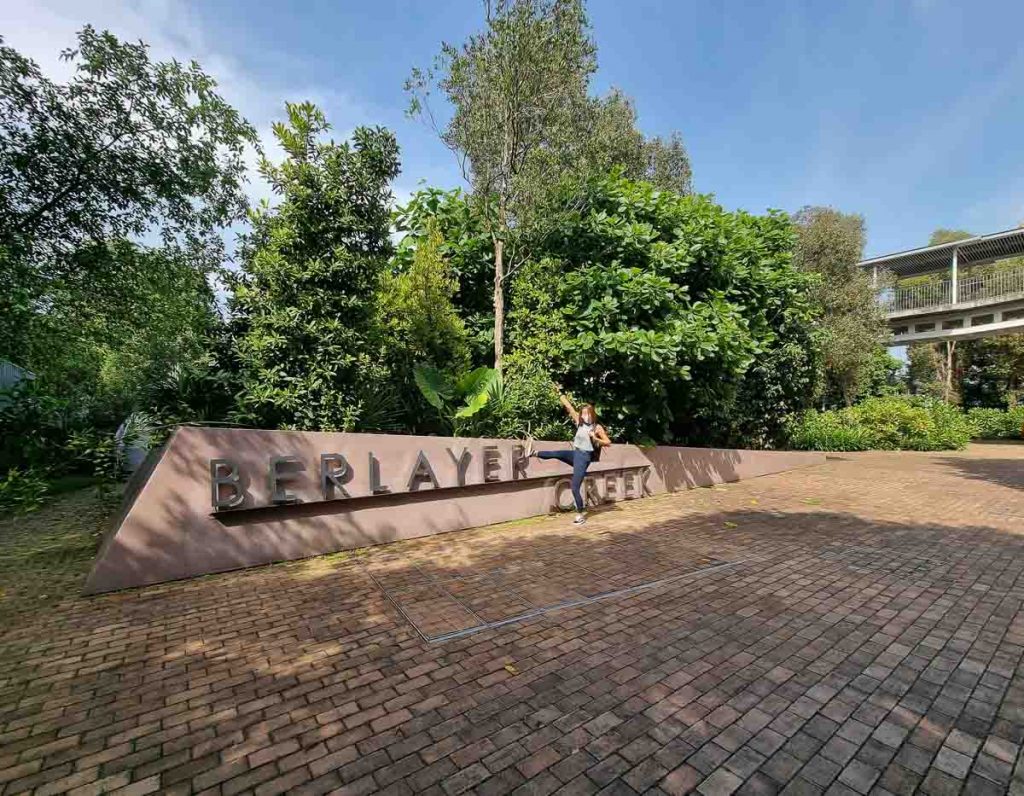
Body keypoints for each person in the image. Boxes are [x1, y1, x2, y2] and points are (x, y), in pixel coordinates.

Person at [525, 385, 612, 524]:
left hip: (584, 457)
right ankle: (533, 453)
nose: (585, 416)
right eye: (583, 413)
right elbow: (569, 406)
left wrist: (595, 438)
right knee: (557, 453)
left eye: (588, 413)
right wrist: (558, 392)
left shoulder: (597, 428)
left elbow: (608, 442)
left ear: (592, 414)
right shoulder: (580, 423)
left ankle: (580, 514)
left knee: (574, 487)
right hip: (575, 454)